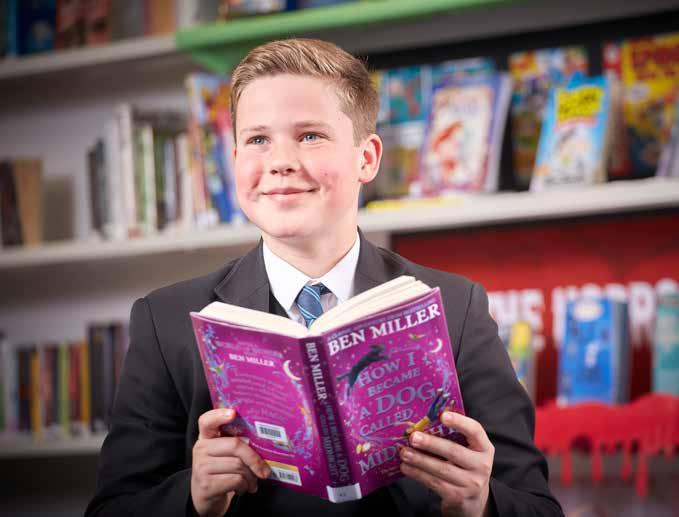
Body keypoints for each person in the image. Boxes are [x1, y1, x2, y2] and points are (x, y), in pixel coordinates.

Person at [86, 38, 563, 517]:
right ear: (235, 160)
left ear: (366, 158)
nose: (280, 161)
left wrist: (481, 503)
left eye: (310, 135)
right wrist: (192, 498)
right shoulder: (166, 321)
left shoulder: (455, 308)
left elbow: (537, 507)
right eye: (257, 140)